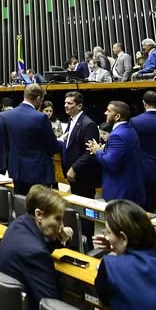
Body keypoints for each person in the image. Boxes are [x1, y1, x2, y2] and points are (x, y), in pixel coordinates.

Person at [0, 185, 74, 309]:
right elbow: (52, 304)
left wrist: (59, 239)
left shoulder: (19, 223)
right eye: (58, 219)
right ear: (39, 215)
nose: (62, 226)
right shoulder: (35, 253)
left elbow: (37, 243)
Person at [1, 84, 60, 196]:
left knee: (20, 202)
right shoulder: (41, 117)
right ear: (38, 98)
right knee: (39, 205)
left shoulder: (7, 115)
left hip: (17, 171)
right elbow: (53, 147)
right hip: (38, 174)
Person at [61, 91, 100, 249]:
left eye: (70, 103)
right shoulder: (71, 121)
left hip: (83, 176)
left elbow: (90, 152)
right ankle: (79, 242)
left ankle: (88, 245)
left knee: (85, 212)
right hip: (73, 177)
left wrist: (74, 168)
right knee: (76, 210)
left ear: (79, 106)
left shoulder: (88, 124)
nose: (66, 106)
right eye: (65, 103)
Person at [86, 101, 145, 206]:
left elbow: (111, 163)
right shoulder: (130, 130)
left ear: (117, 116)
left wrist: (97, 151)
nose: (105, 113)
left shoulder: (116, 135)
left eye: (109, 111)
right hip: (130, 186)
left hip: (120, 191)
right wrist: (104, 150)